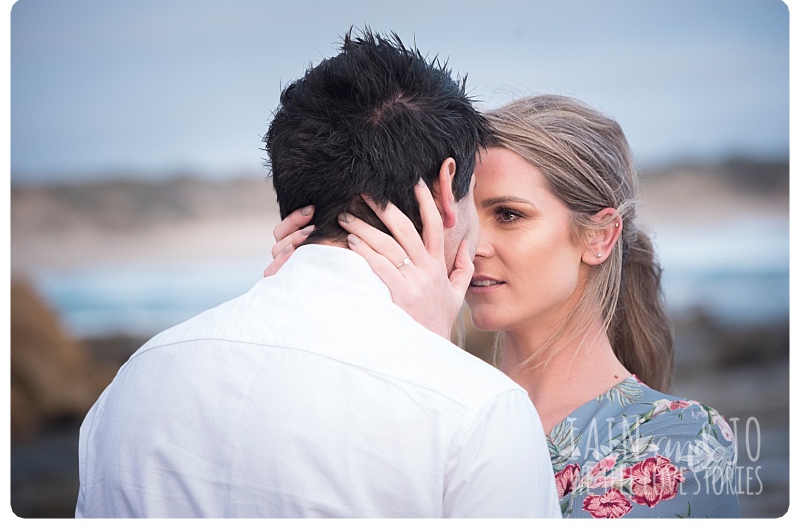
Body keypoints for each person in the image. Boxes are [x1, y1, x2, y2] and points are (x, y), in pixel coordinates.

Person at [76, 30, 560, 518]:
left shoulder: (137, 378)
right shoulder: (478, 412)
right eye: (474, 197)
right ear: (445, 185)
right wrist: (436, 355)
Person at [272, 94, 741, 518]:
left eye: (509, 215)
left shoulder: (681, 440)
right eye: (466, 215)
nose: (474, 243)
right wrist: (294, 316)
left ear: (599, 237)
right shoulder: (444, 394)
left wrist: (429, 371)